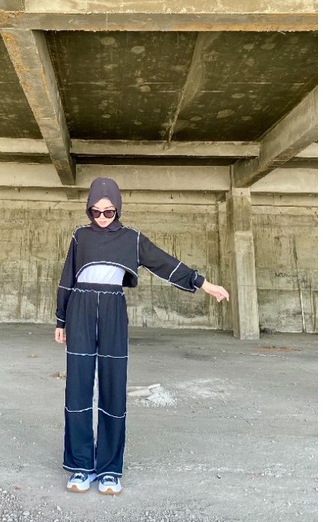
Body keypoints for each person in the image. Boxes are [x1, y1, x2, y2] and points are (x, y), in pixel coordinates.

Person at [54, 177, 230, 495]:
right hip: (80, 308)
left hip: (113, 308)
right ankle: (80, 466)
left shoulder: (131, 239)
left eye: (109, 212)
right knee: (77, 388)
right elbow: (67, 278)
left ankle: (109, 470)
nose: (101, 217)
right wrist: (61, 320)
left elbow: (164, 262)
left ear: (118, 209)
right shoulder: (80, 236)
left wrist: (204, 284)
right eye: (95, 212)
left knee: (113, 387)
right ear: (89, 209)